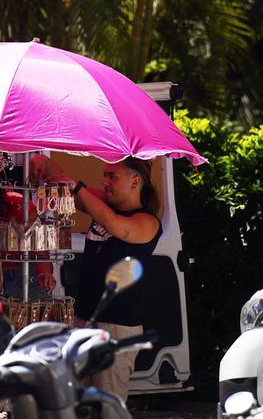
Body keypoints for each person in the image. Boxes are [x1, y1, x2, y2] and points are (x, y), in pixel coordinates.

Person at [30, 154, 164, 402]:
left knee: (106, 406)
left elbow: (115, 225)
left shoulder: (147, 221)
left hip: (117, 329)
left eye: (112, 176)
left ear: (135, 182)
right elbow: (72, 189)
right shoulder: (106, 206)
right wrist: (45, 163)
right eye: (104, 175)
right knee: (78, 403)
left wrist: (77, 187)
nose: (105, 181)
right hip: (86, 322)